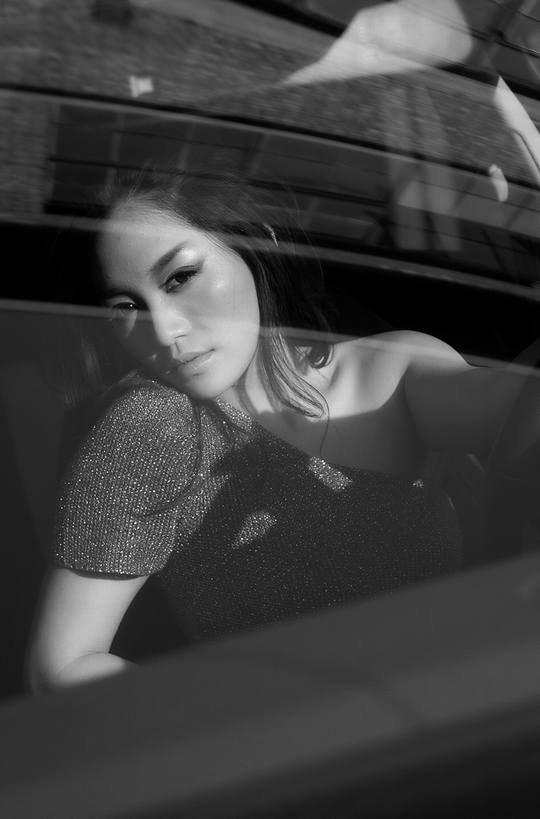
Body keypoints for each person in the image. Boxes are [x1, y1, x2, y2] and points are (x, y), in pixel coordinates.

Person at [25, 1, 540, 693]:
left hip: (479, 707)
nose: (164, 329)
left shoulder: (390, 373)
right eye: (127, 308)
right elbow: (61, 665)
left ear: (254, 245)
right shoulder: (151, 428)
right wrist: (266, 716)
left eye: (180, 278)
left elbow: (519, 416)